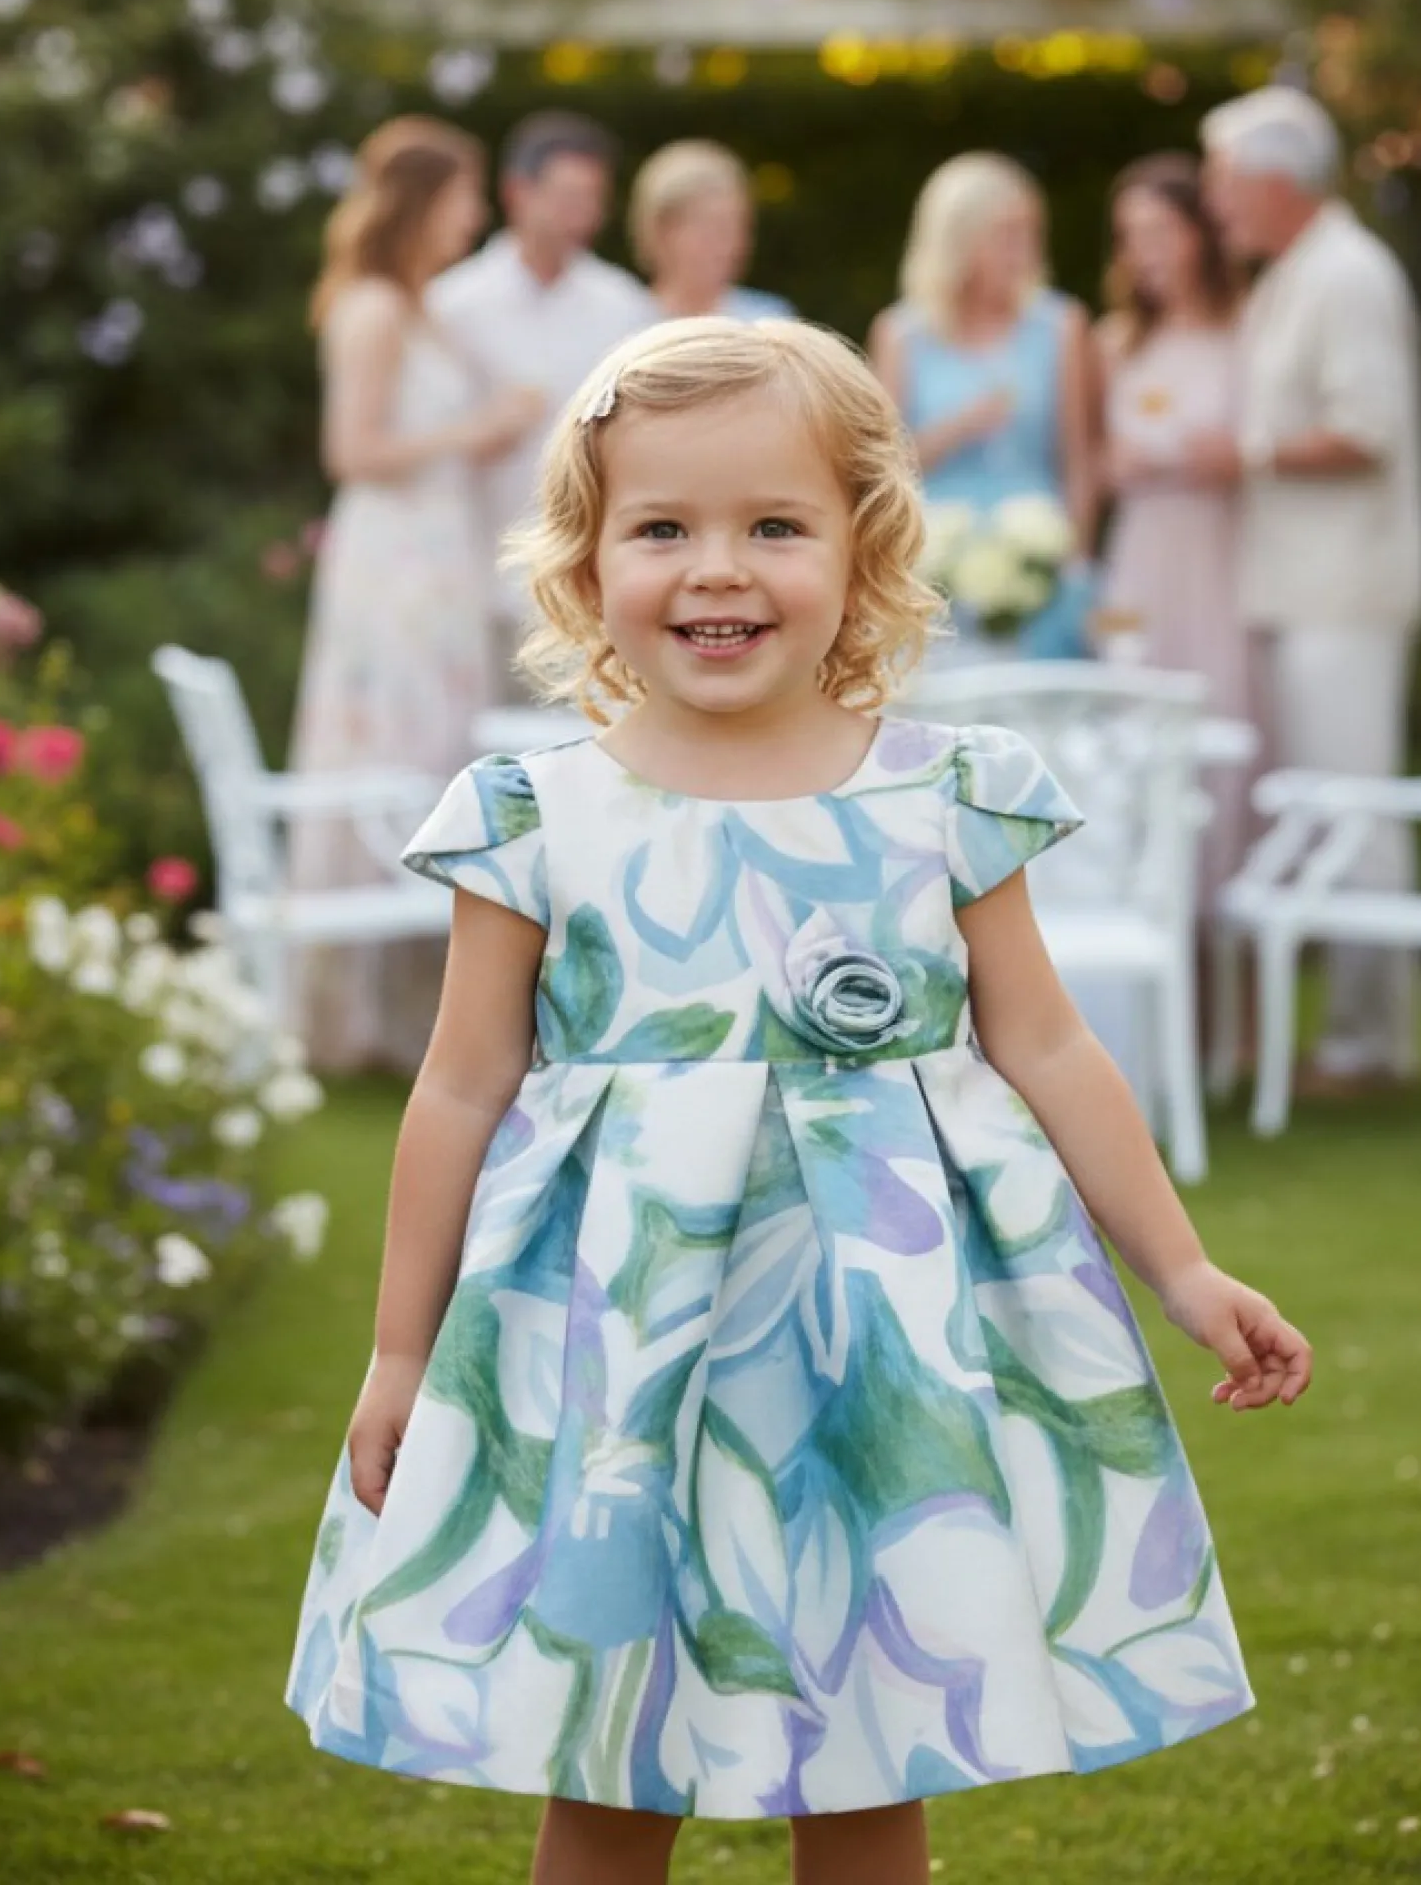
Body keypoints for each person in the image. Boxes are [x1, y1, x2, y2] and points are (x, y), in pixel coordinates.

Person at [286, 317, 1311, 1880]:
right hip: (615, 1354)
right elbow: (460, 1086)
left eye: (775, 524)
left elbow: (1047, 1048)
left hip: (874, 1352)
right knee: (611, 1752)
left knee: (868, 1737)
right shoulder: (531, 817)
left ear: (862, 544)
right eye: (664, 528)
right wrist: (402, 1354)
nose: (719, 569)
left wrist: (1183, 1269)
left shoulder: (943, 795)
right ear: (585, 559)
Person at [287, 116, 545, 1073]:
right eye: (464, 195)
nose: (474, 215)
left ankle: (418, 1017)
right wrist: (474, 433)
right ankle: (353, 1020)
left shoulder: (425, 307)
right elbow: (351, 453)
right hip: (392, 561)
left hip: (439, 557)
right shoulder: (375, 311)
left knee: (439, 750)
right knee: (393, 752)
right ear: (424, 201)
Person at [1202, 84, 1421, 1091]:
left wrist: (1242, 453)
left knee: (1354, 815)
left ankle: (1368, 1045)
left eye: (1224, 182)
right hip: (1302, 590)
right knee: (1331, 811)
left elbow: (1366, 430)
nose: (1218, 207)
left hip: (1346, 589)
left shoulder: (1345, 275)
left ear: (1272, 179)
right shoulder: (1297, 273)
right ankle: (1355, 1033)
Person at [430, 109, 652, 687]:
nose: (583, 214)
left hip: (587, 574)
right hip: (472, 565)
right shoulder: (452, 305)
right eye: (568, 195)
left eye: (593, 197)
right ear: (517, 193)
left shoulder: (622, 305)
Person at [1097, 151, 1256, 902]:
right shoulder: (1117, 341)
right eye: (1131, 235)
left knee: (1220, 733)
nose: (1145, 251)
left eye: (1160, 230)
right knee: (1129, 726)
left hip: (1220, 558)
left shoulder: (1247, 332)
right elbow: (1090, 465)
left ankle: (1223, 939)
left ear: (1200, 233)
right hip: (1138, 563)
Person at [869, 152, 1095, 655]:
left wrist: (1075, 558)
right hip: (936, 565)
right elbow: (884, 466)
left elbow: (1079, 458)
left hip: (1041, 558)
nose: (1024, 252)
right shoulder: (902, 333)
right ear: (958, 239)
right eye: (1007, 235)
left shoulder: (1061, 325)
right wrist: (960, 427)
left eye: (1030, 234)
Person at [629, 137, 796, 322]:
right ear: (662, 230)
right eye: (710, 230)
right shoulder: (620, 318)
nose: (729, 246)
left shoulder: (770, 320)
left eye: (739, 229)